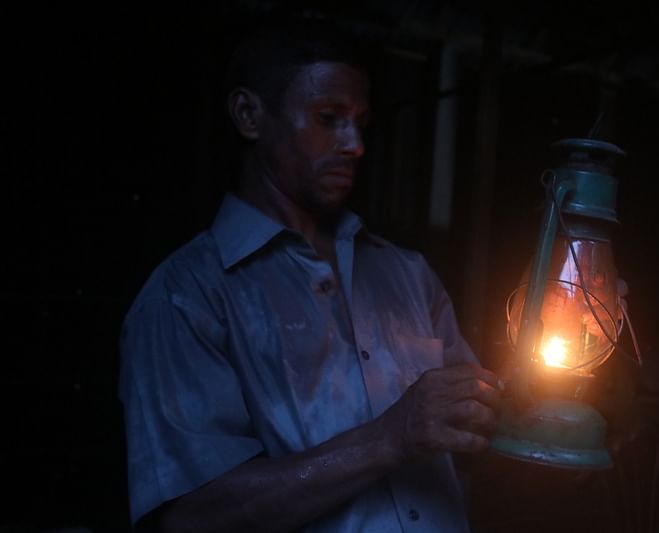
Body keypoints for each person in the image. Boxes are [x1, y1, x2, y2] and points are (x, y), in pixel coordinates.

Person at [118, 13, 502, 533]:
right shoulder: (186, 296)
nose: (355, 144)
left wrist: (576, 384)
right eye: (329, 117)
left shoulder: (407, 274)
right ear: (250, 115)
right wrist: (391, 437)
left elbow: (484, 438)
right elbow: (191, 517)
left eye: (361, 123)